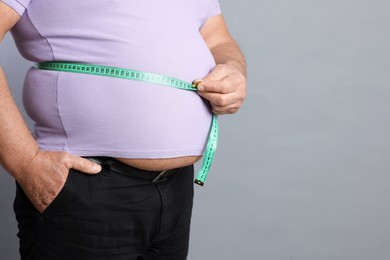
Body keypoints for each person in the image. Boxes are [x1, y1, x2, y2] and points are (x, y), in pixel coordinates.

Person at [0, 0, 246, 259]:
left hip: (176, 188)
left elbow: (217, 39)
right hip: (85, 185)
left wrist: (233, 69)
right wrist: (27, 163)